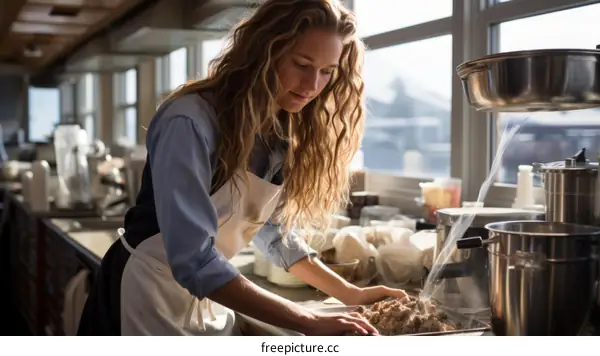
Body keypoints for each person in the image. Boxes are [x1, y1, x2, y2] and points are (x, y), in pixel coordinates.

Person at [77, 0, 407, 336]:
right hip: (144, 291)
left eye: (327, 71)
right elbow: (193, 259)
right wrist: (310, 321)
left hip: (207, 295)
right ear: (264, 52)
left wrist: (351, 293)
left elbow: (273, 234)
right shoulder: (189, 121)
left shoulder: (276, 130)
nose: (312, 85)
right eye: (302, 64)